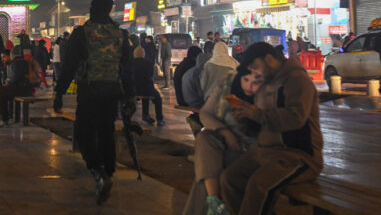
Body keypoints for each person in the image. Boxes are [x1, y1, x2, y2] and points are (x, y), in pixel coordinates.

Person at [220, 42, 323, 215]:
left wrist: (256, 114)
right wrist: (243, 119)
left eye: (255, 66)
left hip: (299, 156)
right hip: (266, 152)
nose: (255, 72)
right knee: (229, 179)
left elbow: (295, 118)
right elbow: (259, 126)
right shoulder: (265, 84)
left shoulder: (297, 79)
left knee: (258, 185)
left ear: (269, 59)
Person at [54, 0, 133, 205]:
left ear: (93, 9)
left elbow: (70, 65)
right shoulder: (120, 34)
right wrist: (130, 98)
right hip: (113, 91)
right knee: (106, 131)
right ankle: (108, 172)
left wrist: (59, 93)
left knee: (83, 132)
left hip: (90, 91)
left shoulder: (82, 33)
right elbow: (127, 67)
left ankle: (98, 172)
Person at [183, 63, 264, 215]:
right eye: (245, 79)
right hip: (224, 146)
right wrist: (226, 132)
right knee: (204, 138)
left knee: (205, 175)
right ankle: (215, 202)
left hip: (247, 152)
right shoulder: (228, 86)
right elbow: (205, 114)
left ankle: (214, 203)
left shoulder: (266, 94)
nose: (249, 84)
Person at [0, 45, 38, 127]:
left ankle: (4, 118)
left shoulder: (16, 62)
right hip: (27, 88)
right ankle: (2, 115)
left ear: (11, 55)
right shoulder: (23, 61)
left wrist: (9, 83)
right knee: (1, 91)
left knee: (0, 91)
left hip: (23, 88)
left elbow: (18, 76)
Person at [130, 46, 164, 126]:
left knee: (144, 93)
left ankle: (145, 115)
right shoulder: (148, 63)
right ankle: (159, 119)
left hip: (134, 89)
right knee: (158, 98)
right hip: (147, 89)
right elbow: (150, 76)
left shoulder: (131, 63)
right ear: (143, 54)